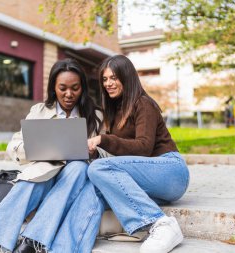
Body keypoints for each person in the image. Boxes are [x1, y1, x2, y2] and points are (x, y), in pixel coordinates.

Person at [0, 58, 102, 253]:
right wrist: (40, 148)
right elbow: (13, 147)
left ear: (82, 87)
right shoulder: (39, 111)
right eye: (62, 88)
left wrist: (93, 150)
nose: (68, 94)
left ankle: (31, 242)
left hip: (74, 181)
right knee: (40, 174)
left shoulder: (96, 116)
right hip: (43, 177)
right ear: (53, 88)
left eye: (75, 88)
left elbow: (106, 155)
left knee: (79, 167)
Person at [85, 55, 190, 253]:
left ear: (127, 77)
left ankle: (161, 224)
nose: (108, 83)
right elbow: (121, 157)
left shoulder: (143, 104)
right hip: (151, 181)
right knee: (95, 179)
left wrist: (104, 139)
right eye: (105, 79)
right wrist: (95, 151)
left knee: (98, 169)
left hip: (170, 170)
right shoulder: (116, 113)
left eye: (114, 78)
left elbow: (143, 148)